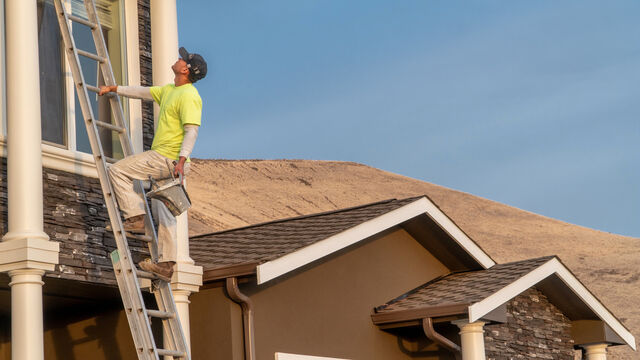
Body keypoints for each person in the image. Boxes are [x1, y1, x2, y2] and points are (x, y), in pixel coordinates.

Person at [99, 47, 207, 281]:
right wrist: (115, 89)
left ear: (186, 70)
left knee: (117, 170)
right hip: (170, 161)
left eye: (182, 60)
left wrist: (180, 161)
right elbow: (143, 92)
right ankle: (167, 265)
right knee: (164, 212)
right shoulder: (170, 90)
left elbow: (192, 132)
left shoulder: (189, 96)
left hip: (167, 159)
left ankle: (135, 217)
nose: (178, 60)